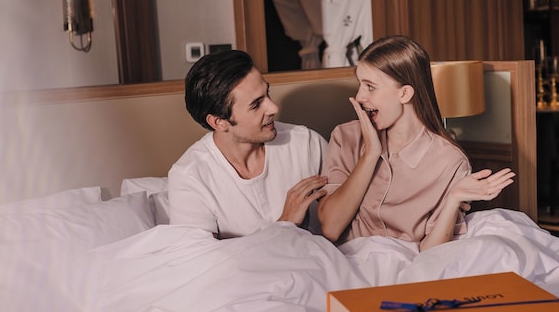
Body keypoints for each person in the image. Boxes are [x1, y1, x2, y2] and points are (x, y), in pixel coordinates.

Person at [317, 35, 515, 251]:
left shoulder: (449, 160)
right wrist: (370, 155)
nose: (359, 96)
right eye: (360, 84)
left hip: (408, 263)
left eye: (370, 87)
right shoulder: (346, 137)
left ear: (404, 93)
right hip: (346, 260)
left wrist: (454, 199)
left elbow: (431, 253)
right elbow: (330, 228)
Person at [167, 49, 328, 238]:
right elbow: (202, 255)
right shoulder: (190, 177)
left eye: (267, 93)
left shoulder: (307, 144)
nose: (274, 108)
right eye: (256, 104)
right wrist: (286, 224)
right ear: (219, 122)